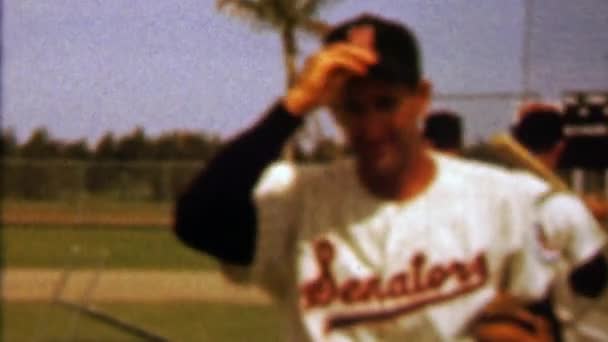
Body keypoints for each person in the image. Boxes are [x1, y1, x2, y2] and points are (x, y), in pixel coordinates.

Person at [174, 14, 584, 341]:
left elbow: (570, 314)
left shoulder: (504, 201)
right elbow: (197, 221)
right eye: (352, 108)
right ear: (332, 111)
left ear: (421, 98)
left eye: (386, 103)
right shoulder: (296, 198)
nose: (370, 126)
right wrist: (293, 106)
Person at [512, 103, 608, 340]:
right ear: (559, 148)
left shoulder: (499, 198)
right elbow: (593, 279)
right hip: (568, 328)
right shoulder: (563, 207)